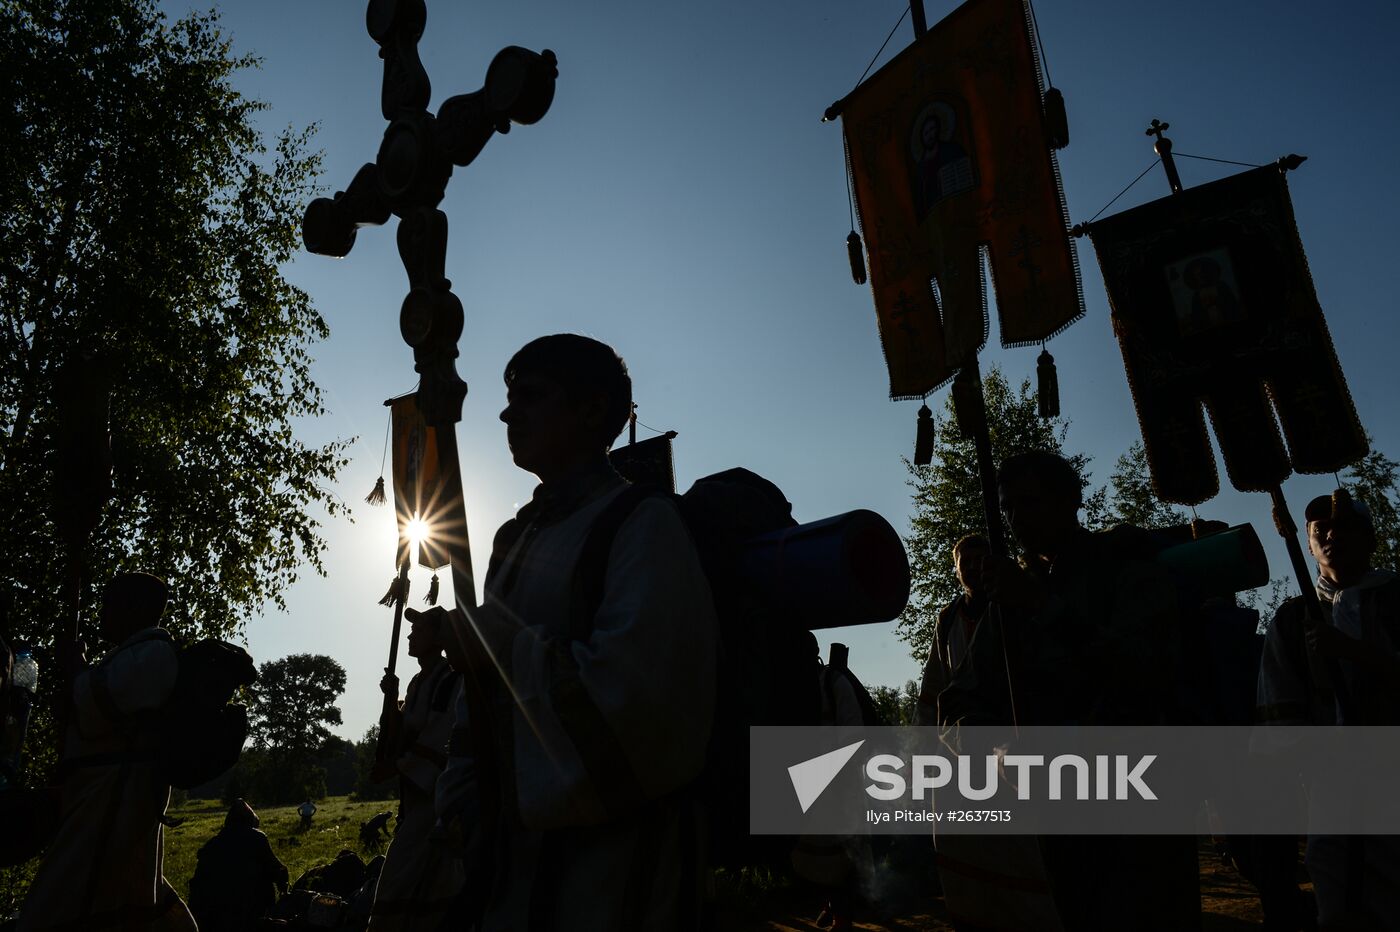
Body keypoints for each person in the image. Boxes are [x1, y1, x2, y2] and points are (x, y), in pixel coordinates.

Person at [436, 333, 717, 930]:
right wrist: (464, 797)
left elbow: (639, 704)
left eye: (532, 395)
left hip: (617, 879)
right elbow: (480, 711)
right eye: (508, 398)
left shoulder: (643, 524)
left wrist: (500, 650)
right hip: (512, 874)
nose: (510, 412)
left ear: (593, 410)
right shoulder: (513, 541)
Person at [938, 451, 1199, 931]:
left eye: (1030, 504)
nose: (1016, 519)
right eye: (1008, 507)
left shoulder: (1125, 565)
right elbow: (958, 701)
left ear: (1072, 501)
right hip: (1045, 824)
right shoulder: (1006, 600)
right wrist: (991, 751)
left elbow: (1145, 671)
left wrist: (1041, 606)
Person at [18, 572, 196, 931]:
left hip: (115, 799)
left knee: (71, 901)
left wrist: (76, 668)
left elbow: (101, 707)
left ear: (136, 608)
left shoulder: (155, 654)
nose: (102, 614)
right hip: (96, 796)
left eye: (109, 605)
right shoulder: (129, 656)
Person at [1256, 490, 1400, 930]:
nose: (1331, 535)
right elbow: (1279, 703)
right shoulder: (1294, 617)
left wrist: (1357, 654)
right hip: (1330, 778)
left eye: (1344, 528)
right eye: (1320, 531)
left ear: (1370, 539)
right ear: (1309, 543)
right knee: (1335, 882)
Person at [368, 605, 464, 930]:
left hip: (434, 797)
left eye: (419, 630)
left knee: (400, 877)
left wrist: (395, 766)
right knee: (434, 881)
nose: (409, 634)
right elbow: (403, 731)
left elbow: (438, 740)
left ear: (439, 638)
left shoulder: (450, 682)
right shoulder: (416, 682)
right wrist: (393, 701)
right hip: (416, 796)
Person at [915, 533, 989, 726]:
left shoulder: (1009, 607)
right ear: (957, 571)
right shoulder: (948, 618)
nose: (973, 567)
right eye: (965, 562)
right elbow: (934, 680)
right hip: (961, 730)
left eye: (979, 560)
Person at [187, 798, 289, 932]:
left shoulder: (212, 844)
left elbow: (197, 884)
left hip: (211, 915)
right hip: (249, 912)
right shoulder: (257, 838)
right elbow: (277, 870)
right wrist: (284, 888)